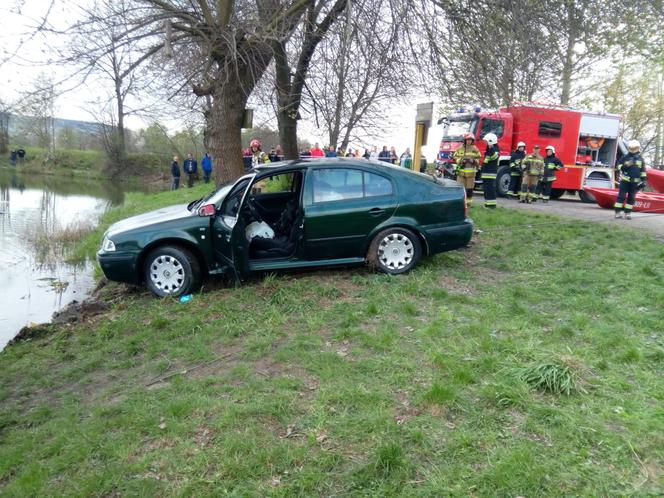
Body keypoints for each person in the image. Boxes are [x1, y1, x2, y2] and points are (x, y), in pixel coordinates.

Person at [614, 139, 647, 219]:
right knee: (621, 196)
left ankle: (627, 213)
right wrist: (626, 165)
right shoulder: (625, 157)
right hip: (625, 182)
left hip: (635, 183)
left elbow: (643, 171)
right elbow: (618, 166)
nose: (633, 150)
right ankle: (617, 213)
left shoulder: (640, 159)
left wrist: (644, 180)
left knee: (631, 198)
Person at [452, 133, 481, 206]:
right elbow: (455, 157)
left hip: (471, 173)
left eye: (471, 140)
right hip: (461, 172)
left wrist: (473, 161)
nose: (469, 141)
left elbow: (478, 158)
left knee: (470, 188)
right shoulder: (460, 148)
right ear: (465, 140)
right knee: (461, 188)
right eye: (468, 140)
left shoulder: (475, 149)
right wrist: (460, 160)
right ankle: (460, 202)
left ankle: (469, 203)